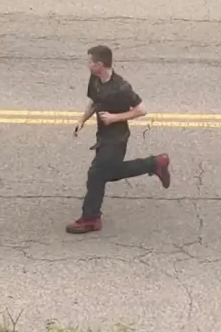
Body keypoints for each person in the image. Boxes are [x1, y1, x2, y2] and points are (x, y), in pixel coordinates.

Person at [66, 45, 171, 234]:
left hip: (116, 139)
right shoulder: (96, 78)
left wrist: (115, 118)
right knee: (107, 173)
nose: (87, 65)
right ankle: (155, 163)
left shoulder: (121, 87)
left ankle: (90, 218)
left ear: (99, 64)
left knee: (96, 175)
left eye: (90, 62)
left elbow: (141, 110)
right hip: (103, 136)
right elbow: (94, 101)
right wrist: (82, 120)